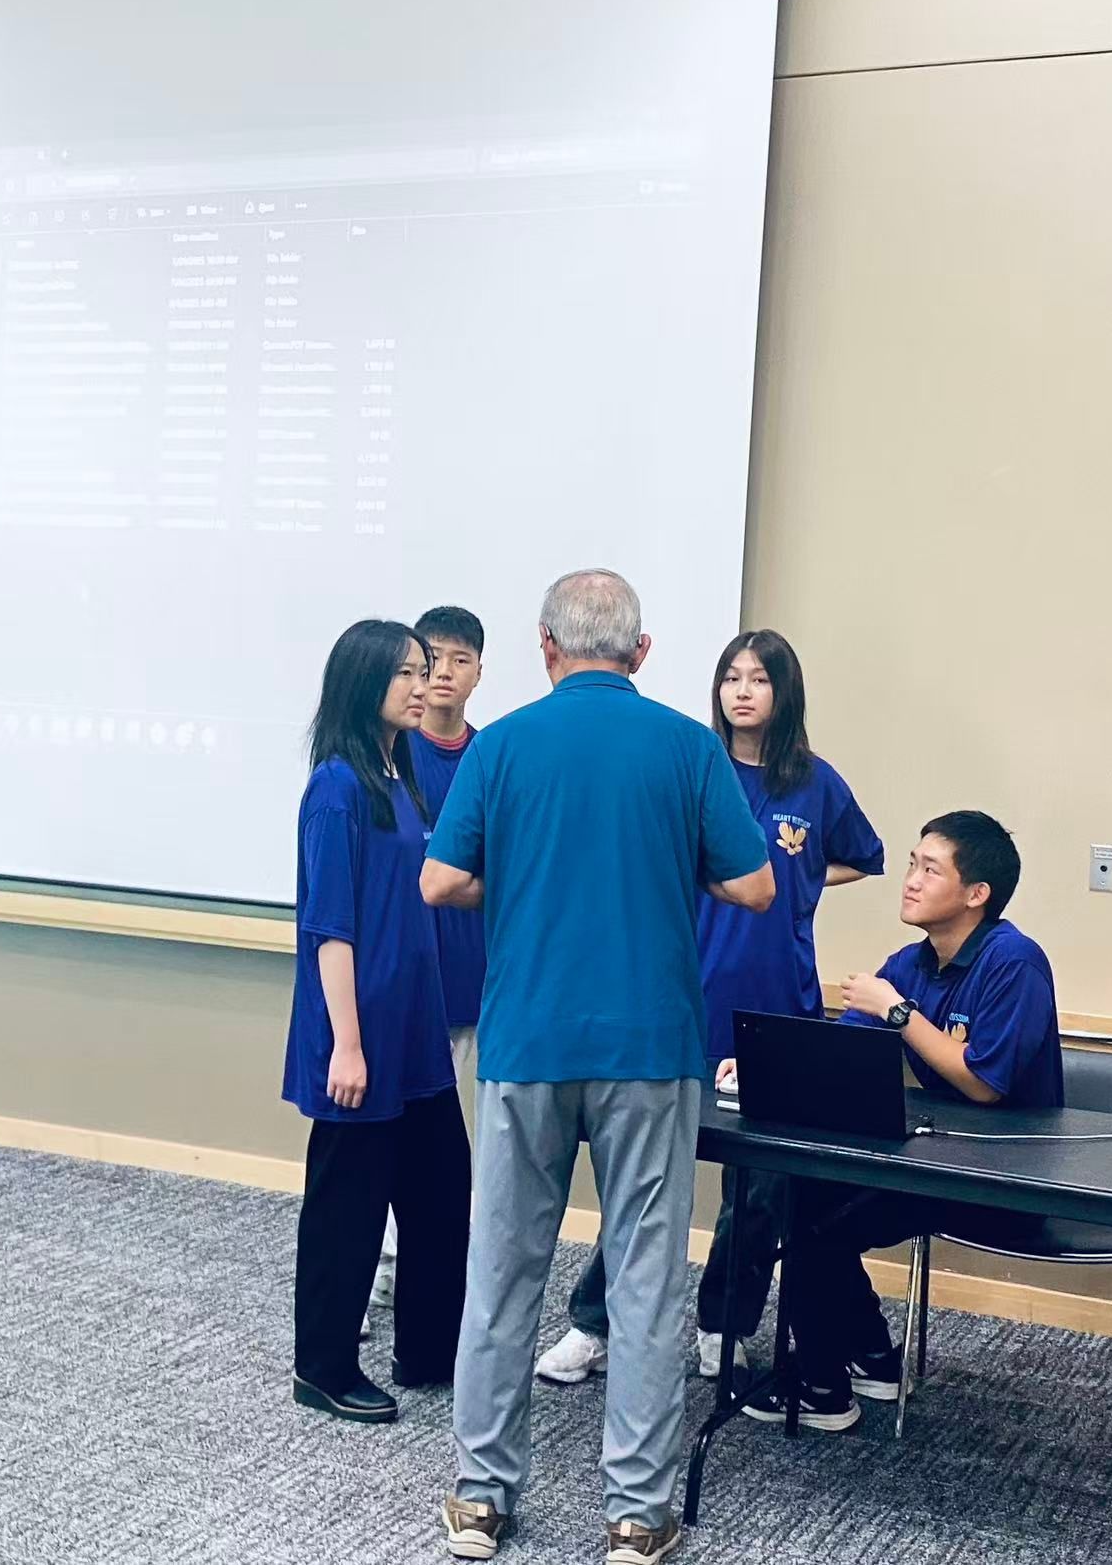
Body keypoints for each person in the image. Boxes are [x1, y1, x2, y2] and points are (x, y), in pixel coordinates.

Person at [422, 570, 774, 1565]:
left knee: (502, 1273)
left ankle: (481, 1499)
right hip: (650, 1050)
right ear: (641, 652)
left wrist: (523, 875)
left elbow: (441, 878)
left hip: (527, 1043)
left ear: (545, 648)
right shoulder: (687, 746)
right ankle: (635, 1515)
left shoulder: (501, 746)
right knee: (647, 1282)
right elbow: (753, 884)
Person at [537, 629, 884, 1388]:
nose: (742, 691)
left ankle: (723, 1326)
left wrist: (803, 877)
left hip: (779, 1014)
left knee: (758, 1195)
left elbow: (864, 854)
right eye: (731, 677)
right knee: (645, 1176)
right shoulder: (693, 764)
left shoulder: (814, 783)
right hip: (683, 1004)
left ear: (785, 692)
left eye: (759, 678)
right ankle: (593, 1324)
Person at [733, 810, 1063, 1433]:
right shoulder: (911, 963)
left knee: (816, 1219)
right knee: (806, 1194)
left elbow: (985, 1084)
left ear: (976, 894)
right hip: (936, 1166)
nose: (910, 879)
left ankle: (825, 1388)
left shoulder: (1013, 962)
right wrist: (757, 1065)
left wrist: (899, 1013)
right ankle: (870, 1358)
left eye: (930, 869)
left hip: (1007, 1182)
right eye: (912, 863)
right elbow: (842, 1050)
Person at [283, 619, 471, 1425]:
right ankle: (322, 1367)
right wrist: (348, 1045)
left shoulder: (403, 777)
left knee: (442, 1194)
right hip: (357, 1036)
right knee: (347, 1208)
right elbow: (330, 927)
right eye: (405, 673)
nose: (423, 684)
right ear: (364, 683)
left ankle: (427, 1351)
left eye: (424, 670)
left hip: (415, 1034)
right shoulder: (337, 787)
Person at [371, 605, 487, 1311]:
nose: (441, 674)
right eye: (429, 660)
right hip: (401, 979)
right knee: (383, 1125)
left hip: (468, 978)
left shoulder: (492, 755)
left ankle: (423, 1268)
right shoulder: (391, 754)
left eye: (458, 660)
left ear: (478, 673)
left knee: (443, 1136)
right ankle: (378, 1264)